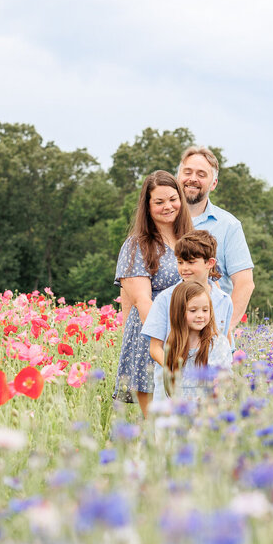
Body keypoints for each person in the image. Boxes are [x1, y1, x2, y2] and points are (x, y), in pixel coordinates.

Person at [113, 171, 192, 415]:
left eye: (172, 199)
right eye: (159, 202)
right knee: (157, 423)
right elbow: (143, 302)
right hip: (155, 337)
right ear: (147, 207)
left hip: (192, 330)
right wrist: (171, 341)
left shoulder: (190, 239)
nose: (168, 206)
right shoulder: (138, 245)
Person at [176, 146, 255, 330]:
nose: (193, 178)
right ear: (178, 177)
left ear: (213, 183)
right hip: (168, 336)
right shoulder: (161, 220)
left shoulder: (229, 226)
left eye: (202, 174)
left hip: (209, 336)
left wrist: (222, 331)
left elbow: (245, 284)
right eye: (187, 172)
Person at [142, 231, 233, 378]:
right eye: (180, 262)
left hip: (210, 389)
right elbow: (155, 348)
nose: (184, 268)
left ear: (210, 263)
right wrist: (175, 373)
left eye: (191, 262)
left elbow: (227, 344)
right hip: (174, 388)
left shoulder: (224, 300)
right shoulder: (166, 299)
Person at [150, 281, 232, 401]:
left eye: (205, 310)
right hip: (179, 408)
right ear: (179, 312)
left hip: (209, 408)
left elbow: (222, 379)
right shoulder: (172, 343)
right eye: (193, 310)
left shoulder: (217, 343)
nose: (200, 315)